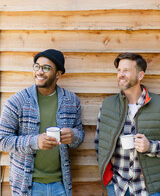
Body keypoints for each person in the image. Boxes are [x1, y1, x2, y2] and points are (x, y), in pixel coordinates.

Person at [0, 49, 84, 196]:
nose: (39, 72)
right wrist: (34, 142)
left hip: (60, 185)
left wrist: (73, 135)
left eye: (46, 68)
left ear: (58, 74)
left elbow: (79, 135)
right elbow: (3, 140)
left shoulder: (71, 101)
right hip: (28, 186)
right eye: (37, 66)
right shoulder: (17, 101)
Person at [95, 52, 160, 196]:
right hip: (118, 187)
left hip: (150, 189)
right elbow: (99, 143)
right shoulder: (107, 105)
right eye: (119, 70)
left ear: (140, 75)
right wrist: (109, 181)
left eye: (126, 70)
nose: (120, 74)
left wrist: (150, 146)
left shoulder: (158, 105)